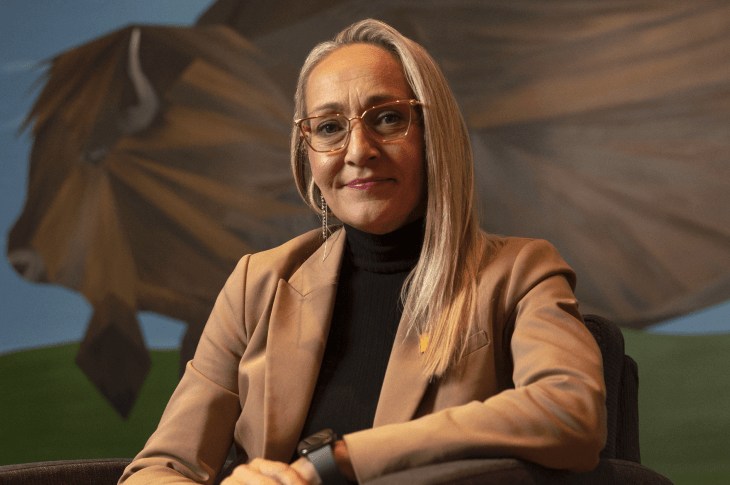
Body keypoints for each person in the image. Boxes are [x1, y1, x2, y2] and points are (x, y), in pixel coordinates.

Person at [119, 19, 606, 485]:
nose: (358, 150)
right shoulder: (257, 284)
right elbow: (158, 469)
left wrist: (341, 460)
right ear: (306, 151)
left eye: (388, 118)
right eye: (329, 127)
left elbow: (571, 410)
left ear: (432, 133)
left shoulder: (519, 273)